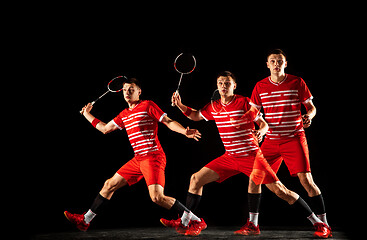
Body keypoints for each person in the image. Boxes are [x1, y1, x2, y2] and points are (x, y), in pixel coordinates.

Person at [164, 71, 330, 238]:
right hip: (229, 157)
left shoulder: (244, 102)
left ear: (234, 86)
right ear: (217, 86)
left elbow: (263, 124)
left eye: (227, 83)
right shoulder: (213, 107)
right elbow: (194, 115)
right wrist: (179, 104)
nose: (223, 86)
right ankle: (190, 221)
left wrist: (262, 132)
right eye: (220, 83)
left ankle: (317, 222)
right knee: (195, 179)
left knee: (281, 191)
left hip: (252, 156)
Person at [64, 77, 205, 235]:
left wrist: (184, 132)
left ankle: (196, 220)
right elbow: (104, 128)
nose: (127, 92)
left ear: (139, 91)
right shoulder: (123, 114)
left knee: (157, 198)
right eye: (124, 90)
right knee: (109, 184)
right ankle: (85, 220)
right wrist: (87, 115)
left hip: (153, 157)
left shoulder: (147, 105)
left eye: (131, 89)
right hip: (137, 159)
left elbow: (168, 121)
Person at [250, 49, 332, 238]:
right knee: (255, 179)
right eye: (273, 61)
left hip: (294, 138)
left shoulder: (297, 82)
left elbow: (311, 108)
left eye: (280, 61)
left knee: (307, 181)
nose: (276, 63)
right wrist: (260, 127)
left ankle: (325, 224)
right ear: (267, 64)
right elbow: (254, 112)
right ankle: (253, 224)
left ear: (285, 63)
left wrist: (309, 116)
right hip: (270, 140)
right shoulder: (260, 86)